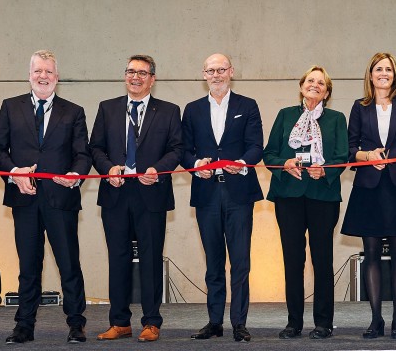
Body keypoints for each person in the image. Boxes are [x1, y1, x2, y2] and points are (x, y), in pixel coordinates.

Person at [0, 50, 91, 344]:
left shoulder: (74, 111)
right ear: (29, 76)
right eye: (38, 71)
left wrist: (75, 176)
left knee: (69, 264)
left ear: (56, 77)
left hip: (62, 199)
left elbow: (82, 154)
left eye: (48, 71)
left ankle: (76, 324)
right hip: (25, 199)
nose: (43, 76)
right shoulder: (10, 107)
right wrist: (14, 173)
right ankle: (24, 325)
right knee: (28, 266)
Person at [90, 55, 182, 343]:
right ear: (124, 75)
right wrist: (108, 168)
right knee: (117, 258)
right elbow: (95, 148)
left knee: (151, 259)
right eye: (131, 71)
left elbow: (176, 149)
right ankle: (119, 322)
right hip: (116, 193)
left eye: (142, 73)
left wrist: (159, 169)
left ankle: (152, 322)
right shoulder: (107, 108)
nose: (135, 77)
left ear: (152, 78)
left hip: (151, 193)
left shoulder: (168, 111)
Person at [180, 53, 264, 343]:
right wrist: (195, 166)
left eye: (221, 69)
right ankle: (214, 322)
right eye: (210, 70)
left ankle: (239, 324)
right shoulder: (191, 110)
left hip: (239, 193)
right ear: (204, 75)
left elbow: (256, 147)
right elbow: (184, 150)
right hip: (206, 194)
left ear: (231, 71)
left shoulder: (247, 105)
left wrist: (241, 163)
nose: (216, 75)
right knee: (213, 263)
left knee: (240, 262)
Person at [341, 52, 396, 340]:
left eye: (388, 69)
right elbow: (350, 149)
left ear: (394, 74)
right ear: (371, 75)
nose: (384, 73)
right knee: (371, 255)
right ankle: (376, 319)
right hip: (369, 186)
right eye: (379, 69)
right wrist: (366, 155)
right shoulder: (359, 107)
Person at [263, 65, 348, 340]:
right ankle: (293, 323)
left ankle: (323, 323)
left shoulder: (336, 119)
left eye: (321, 83)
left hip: (323, 196)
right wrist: (284, 163)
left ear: (327, 91)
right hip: (288, 196)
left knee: (322, 260)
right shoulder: (285, 115)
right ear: (301, 86)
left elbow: (342, 156)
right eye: (310, 80)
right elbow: (269, 154)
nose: (314, 85)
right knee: (292, 260)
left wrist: (326, 170)